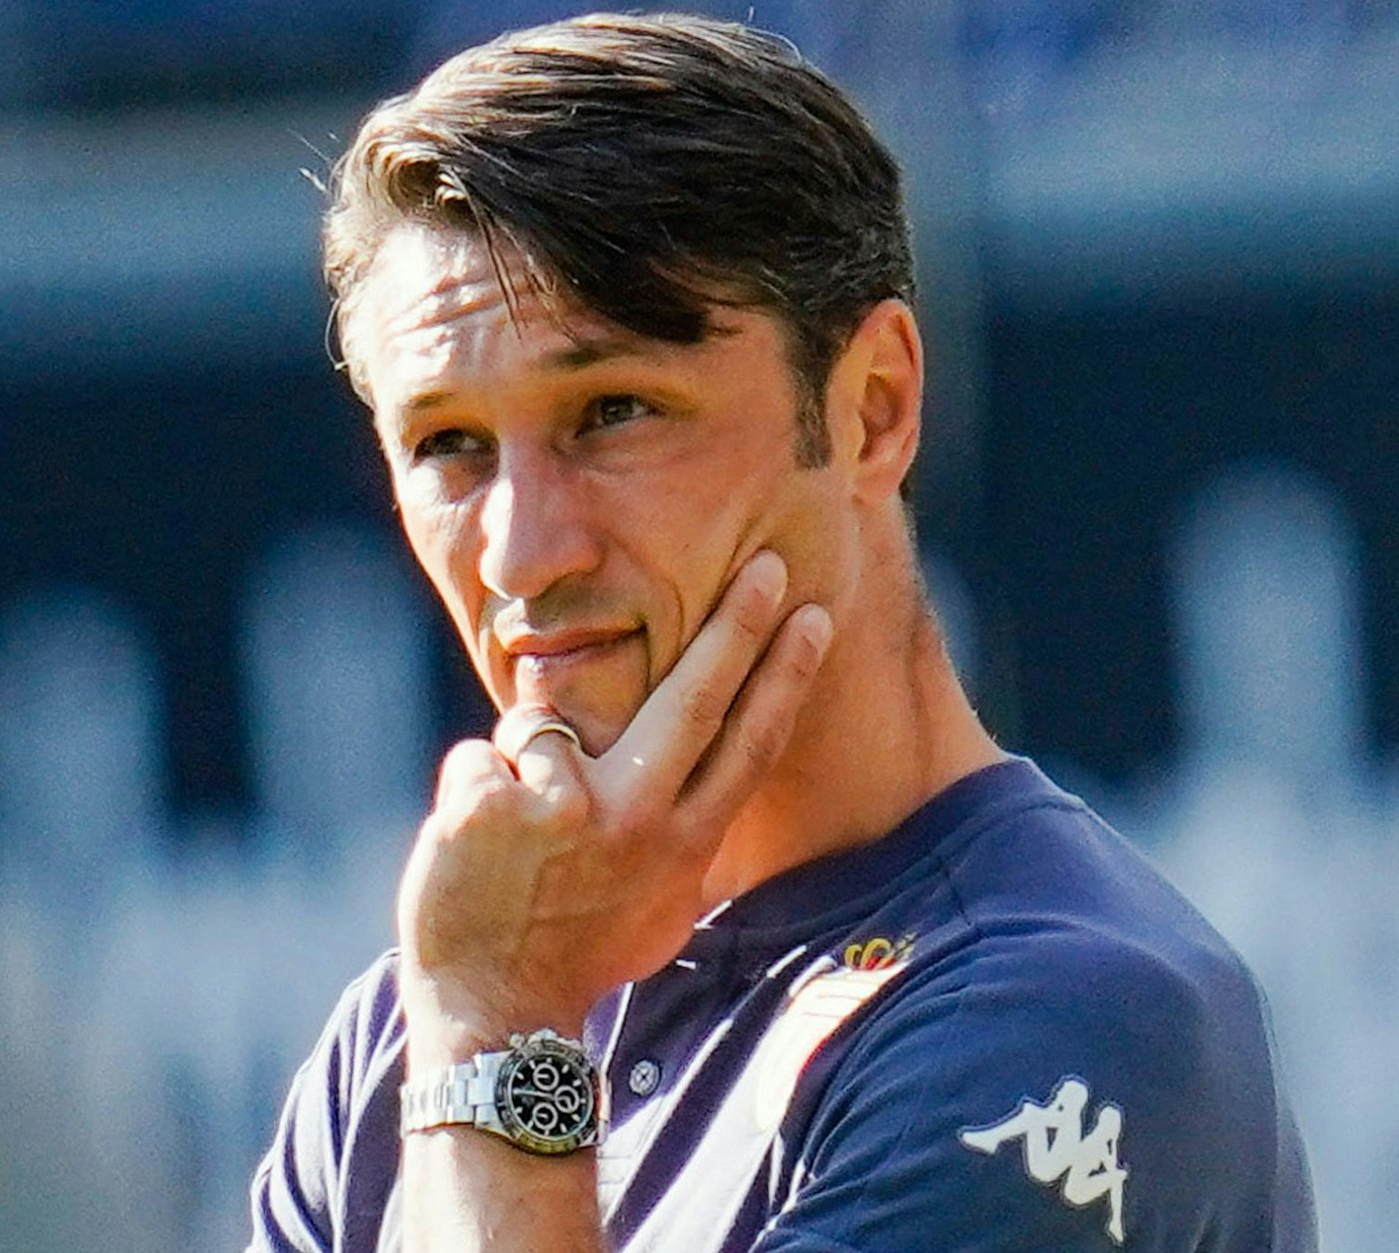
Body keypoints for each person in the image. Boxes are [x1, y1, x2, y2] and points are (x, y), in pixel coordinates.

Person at [249, 13, 1317, 1252]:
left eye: (613, 410)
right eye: (448, 444)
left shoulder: (1074, 1020)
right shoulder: (399, 1042)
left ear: (873, 408)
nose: (521, 553)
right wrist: (479, 1022)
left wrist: (500, 1041)